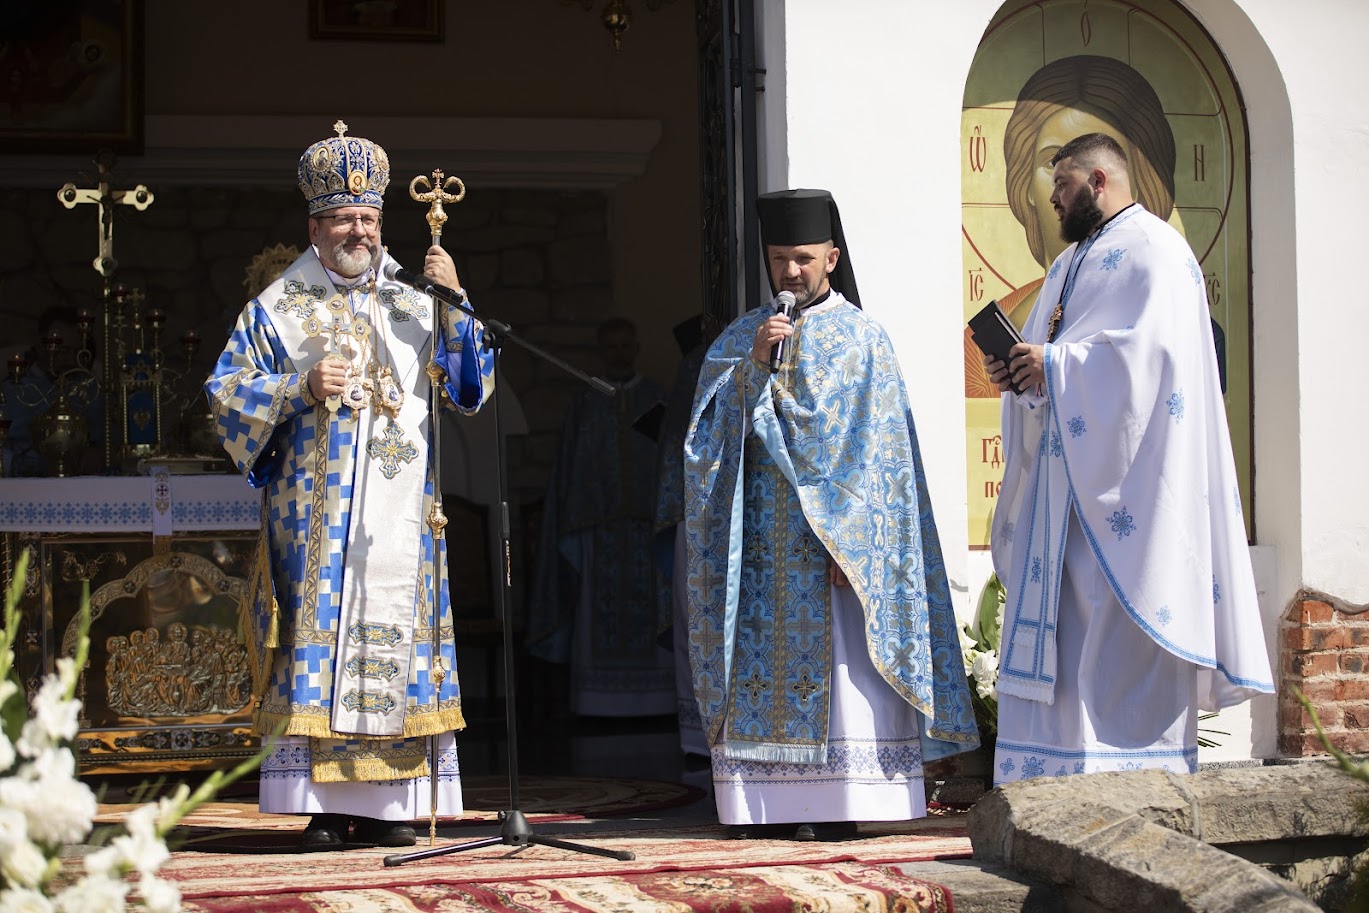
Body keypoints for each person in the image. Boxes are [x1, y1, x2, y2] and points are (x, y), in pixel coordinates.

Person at [204, 120, 496, 850]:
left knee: (397, 642)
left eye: (368, 217)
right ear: (314, 227)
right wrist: (299, 386)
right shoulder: (277, 308)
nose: (358, 231)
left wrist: (456, 300)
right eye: (342, 218)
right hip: (318, 524)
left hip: (402, 519)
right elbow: (225, 395)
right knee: (324, 650)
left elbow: (472, 388)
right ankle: (326, 807)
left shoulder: (414, 297)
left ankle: (393, 804)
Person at [683, 189, 978, 841]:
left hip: (839, 553)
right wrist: (753, 369)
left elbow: (884, 460)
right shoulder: (741, 338)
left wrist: (857, 547)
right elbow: (703, 443)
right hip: (763, 553)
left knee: (846, 676)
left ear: (832, 259)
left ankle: (850, 799)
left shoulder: (865, 341)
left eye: (803, 258)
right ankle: (768, 805)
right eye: (779, 259)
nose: (790, 272)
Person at [983, 133, 1273, 784]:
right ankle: (1043, 787)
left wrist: (1056, 365)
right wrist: (1020, 374)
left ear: (1097, 180)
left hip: (1128, 497)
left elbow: (1153, 362)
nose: (1053, 202)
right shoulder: (1067, 263)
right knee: (1063, 636)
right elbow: (1049, 364)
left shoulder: (1156, 251)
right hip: (1061, 495)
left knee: (1110, 637)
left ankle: (1127, 782)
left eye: (1062, 186)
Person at [525, 318, 674, 717]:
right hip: (596, 531)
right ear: (601, 351)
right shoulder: (587, 404)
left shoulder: (657, 400)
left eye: (625, 346)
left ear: (636, 348)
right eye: (611, 347)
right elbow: (571, 471)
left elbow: (667, 463)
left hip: (647, 531)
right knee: (594, 611)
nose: (619, 354)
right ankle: (599, 702)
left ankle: (656, 701)